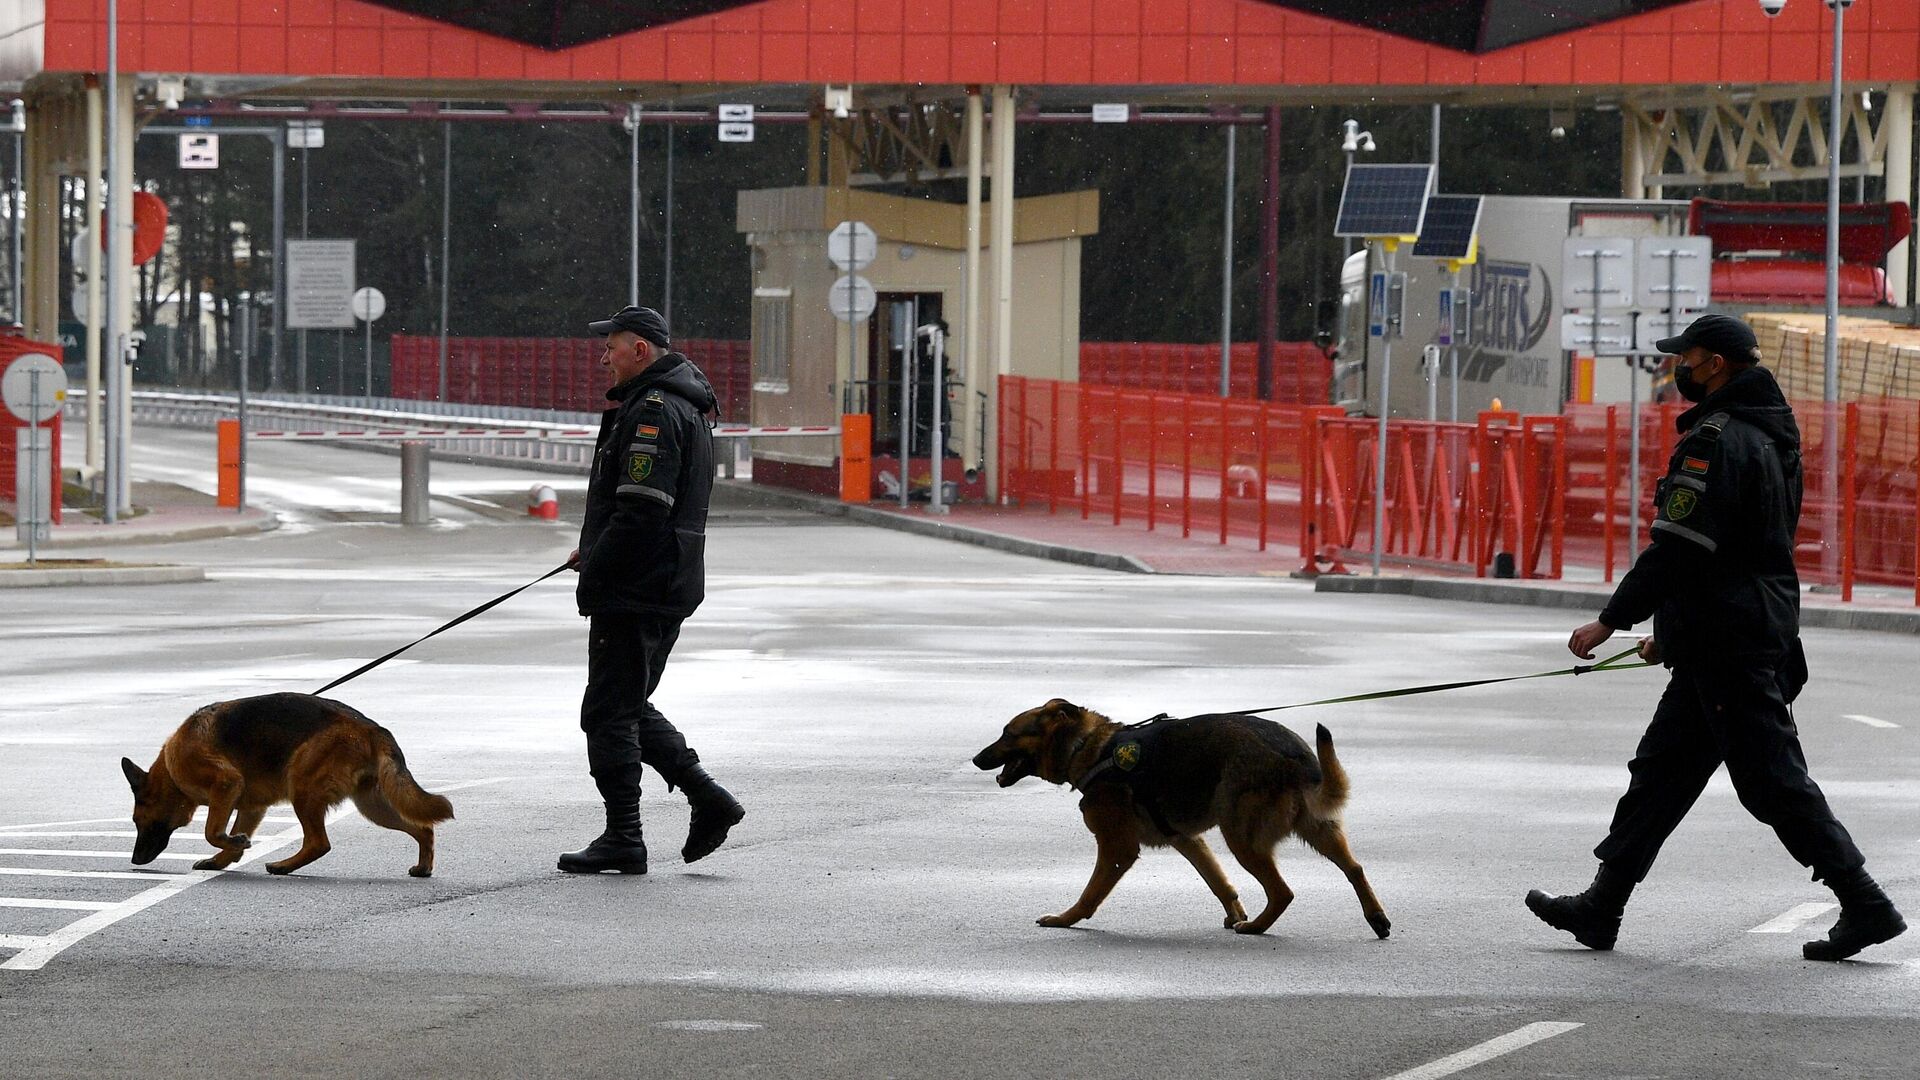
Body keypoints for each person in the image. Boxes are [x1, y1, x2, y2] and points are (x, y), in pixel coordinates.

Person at [1527, 312, 1904, 961]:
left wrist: (1611, 622)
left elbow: (1678, 550)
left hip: (1732, 643)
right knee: (1660, 775)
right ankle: (1602, 906)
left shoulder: (1718, 440)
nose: (1680, 369)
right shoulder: (1770, 434)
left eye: (1689, 357)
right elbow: (1732, 550)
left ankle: (1865, 901)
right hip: (1725, 634)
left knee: (1774, 783)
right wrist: (1674, 634)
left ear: (1717, 365)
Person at [561, 305, 744, 875]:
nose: (603, 356)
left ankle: (625, 836)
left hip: (639, 586)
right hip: (661, 579)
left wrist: (598, 569)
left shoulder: (654, 411)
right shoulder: (672, 403)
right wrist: (591, 550)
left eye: (611, 345)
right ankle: (708, 797)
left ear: (640, 349)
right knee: (627, 703)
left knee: (608, 713)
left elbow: (641, 510)